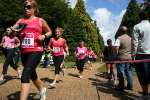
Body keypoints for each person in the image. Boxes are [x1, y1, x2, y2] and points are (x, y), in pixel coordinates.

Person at [12, 0, 52, 100]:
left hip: (36, 50)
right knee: (32, 73)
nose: (26, 8)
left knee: (25, 75)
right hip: (24, 51)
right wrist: (11, 31)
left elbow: (49, 32)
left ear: (34, 8)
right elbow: (12, 30)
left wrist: (43, 36)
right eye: (25, 6)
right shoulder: (20, 20)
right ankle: (42, 89)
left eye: (29, 6)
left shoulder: (40, 20)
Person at [132, 11, 150, 99]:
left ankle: (145, 95)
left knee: (142, 75)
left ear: (139, 17)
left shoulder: (137, 26)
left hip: (141, 54)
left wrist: (133, 54)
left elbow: (135, 42)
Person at [115, 26, 133, 91]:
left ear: (120, 31)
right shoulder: (131, 38)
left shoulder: (119, 38)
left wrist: (116, 56)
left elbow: (116, 49)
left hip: (121, 58)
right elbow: (133, 48)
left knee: (121, 72)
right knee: (129, 71)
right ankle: (130, 86)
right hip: (129, 57)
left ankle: (121, 86)